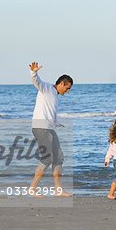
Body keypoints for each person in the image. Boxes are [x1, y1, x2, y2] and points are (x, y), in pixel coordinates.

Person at [28, 62, 73, 197]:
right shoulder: (47, 88)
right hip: (40, 128)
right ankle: (32, 189)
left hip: (49, 128)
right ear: (62, 84)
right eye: (67, 88)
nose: (68, 91)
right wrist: (34, 72)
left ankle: (58, 190)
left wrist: (56, 123)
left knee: (59, 158)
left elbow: (49, 112)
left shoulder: (54, 94)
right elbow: (36, 82)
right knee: (47, 159)